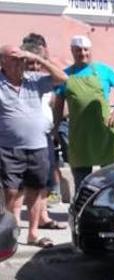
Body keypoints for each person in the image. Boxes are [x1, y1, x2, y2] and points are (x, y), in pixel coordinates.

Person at [0, 44, 67, 248]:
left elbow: (63, 78)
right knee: (12, 192)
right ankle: (11, 234)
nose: (20, 62)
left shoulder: (34, 80)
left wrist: (37, 58)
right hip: (8, 148)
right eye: (14, 58)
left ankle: (33, 234)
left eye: (22, 58)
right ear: (2, 61)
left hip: (38, 146)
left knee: (37, 190)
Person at [53, 35, 114, 189]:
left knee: (111, 180)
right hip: (79, 134)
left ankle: (110, 210)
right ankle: (80, 210)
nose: (83, 53)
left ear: (91, 51)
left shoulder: (104, 71)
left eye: (86, 50)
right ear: (72, 51)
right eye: (78, 50)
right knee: (82, 182)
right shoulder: (65, 75)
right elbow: (58, 105)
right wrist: (56, 128)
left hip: (105, 131)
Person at [20, 35, 66, 230]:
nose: (34, 68)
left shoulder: (43, 80)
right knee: (21, 186)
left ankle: (43, 217)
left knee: (43, 181)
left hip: (43, 135)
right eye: (30, 64)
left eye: (36, 64)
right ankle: (17, 224)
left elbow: (62, 79)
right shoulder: (17, 80)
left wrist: (42, 61)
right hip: (20, 139)